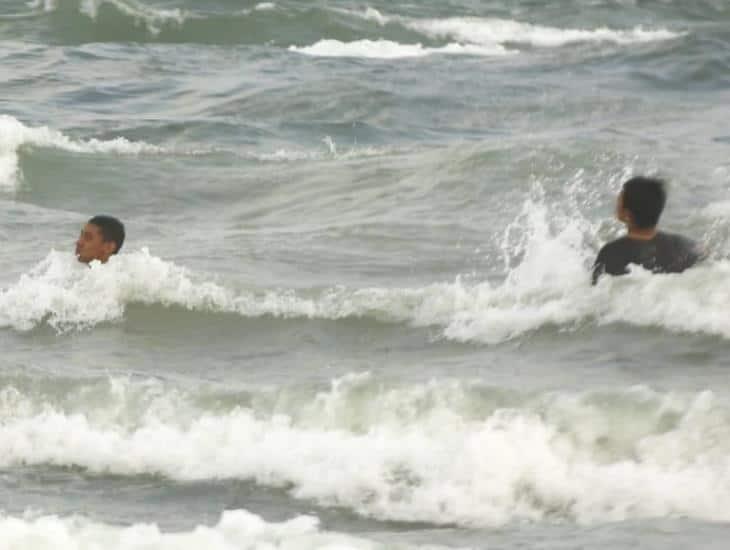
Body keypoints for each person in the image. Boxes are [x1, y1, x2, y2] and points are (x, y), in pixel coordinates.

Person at [592, 176, 702, 284]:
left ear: (627, 214)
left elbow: (595, 289)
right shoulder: (685, 245)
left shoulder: (611, 252)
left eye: (619, 201)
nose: (616, 204)